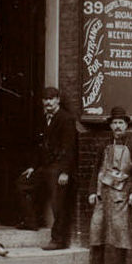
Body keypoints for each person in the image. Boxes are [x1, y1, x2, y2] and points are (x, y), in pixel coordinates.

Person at [18, 87, 79, 248]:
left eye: (52, 99)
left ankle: (58, 240)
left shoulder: (66, 119)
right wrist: (32, 166)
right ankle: (31, 221)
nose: (48, 102)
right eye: (45, 99)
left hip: (59, 168)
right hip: (45, 166)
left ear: (58, 100)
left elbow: (69, 147)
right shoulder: (44, 118)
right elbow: (40, 146)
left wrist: (65, 172)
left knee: (58, 202)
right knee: (23, 183)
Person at [84, 105, 132, 264]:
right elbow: (96, 169)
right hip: (102, 192)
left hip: (121, 194)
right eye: (114, 123)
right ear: (110, 126)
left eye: (120, 123)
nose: (117, 126)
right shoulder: (104, 145)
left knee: (120, 227)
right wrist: (92, 191)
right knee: (97, 226)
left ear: (126, 125)